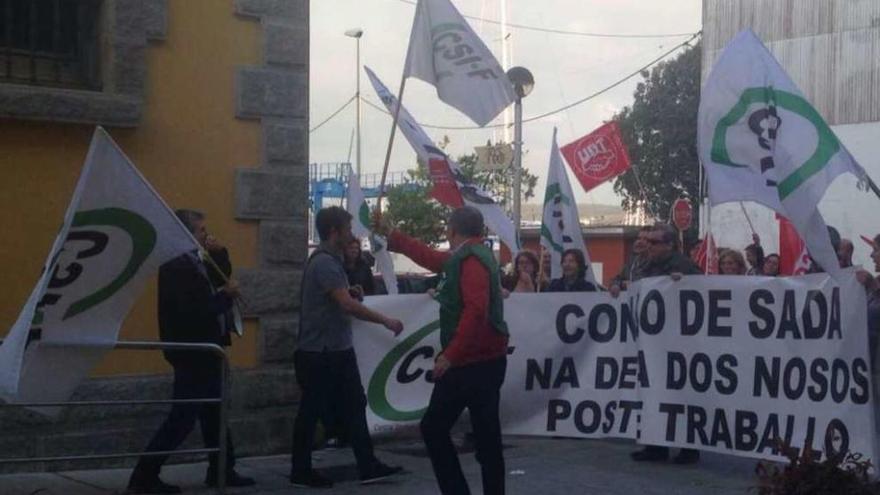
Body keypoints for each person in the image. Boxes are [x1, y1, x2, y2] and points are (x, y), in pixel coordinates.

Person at [379, 206, 509, 495]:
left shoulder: (470, 259)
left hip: (470, 362)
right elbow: (432, 258)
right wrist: (392, 235)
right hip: (485, 359)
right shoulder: (471, 255)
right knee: (486, 436)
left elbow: (476, 311)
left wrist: (450, 354)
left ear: (452, 231)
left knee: (435, 428)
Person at [128, 209, 254, 494]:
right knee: (183, 417)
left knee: (214, 412)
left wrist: (220, 253)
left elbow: (220, 275)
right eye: (200, 231)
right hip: (193, 351)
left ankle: (222, 468)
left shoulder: (195, 260)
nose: (205, 235)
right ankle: (144, 475)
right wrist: (226, 296)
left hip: (207, 349)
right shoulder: (177, 265)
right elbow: (196, 311)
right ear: (185, 233)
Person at [291, 206, 404, 488]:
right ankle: (301, 471)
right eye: (348, 229)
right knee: (312, 411)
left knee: (353, 405)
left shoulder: (331, 261)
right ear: (334, 232)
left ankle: (368, 465)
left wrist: (349, 291)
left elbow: (339, 297)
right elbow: (346, 305)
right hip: (321, 352)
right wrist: (385, 320)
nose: (352, 235)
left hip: (333, 349)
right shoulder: (326, 263)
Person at [613, 223, 702, 464]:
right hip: (653, 343)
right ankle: (656, 445)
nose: (648, 246)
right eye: (647, 242)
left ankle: (688, 448)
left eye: (654, 243)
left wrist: (683, 283)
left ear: (669, 245)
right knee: (653, 392)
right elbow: (624, 281)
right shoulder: (646, 265)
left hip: (678, 344)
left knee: (680, 396)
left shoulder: (684, 266)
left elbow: (702, 293)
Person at [609, 226, 651, 293]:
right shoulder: (632, 263)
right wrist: (617, 285)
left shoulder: (657, 263)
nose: (639, 242)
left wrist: (633, 284)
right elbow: (616, 279)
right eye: (638, 238)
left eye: (645, 239)